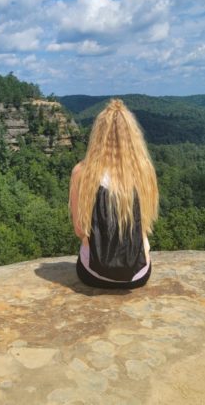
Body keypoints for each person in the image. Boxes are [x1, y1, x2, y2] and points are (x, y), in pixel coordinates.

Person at [69, 98, 159, 289]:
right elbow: (146, 224)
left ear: (98, 136)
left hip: (94, 273)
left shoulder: (81, 173)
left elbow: (79, 230)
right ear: (133, 136)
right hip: (137, 274)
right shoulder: (145, 171)